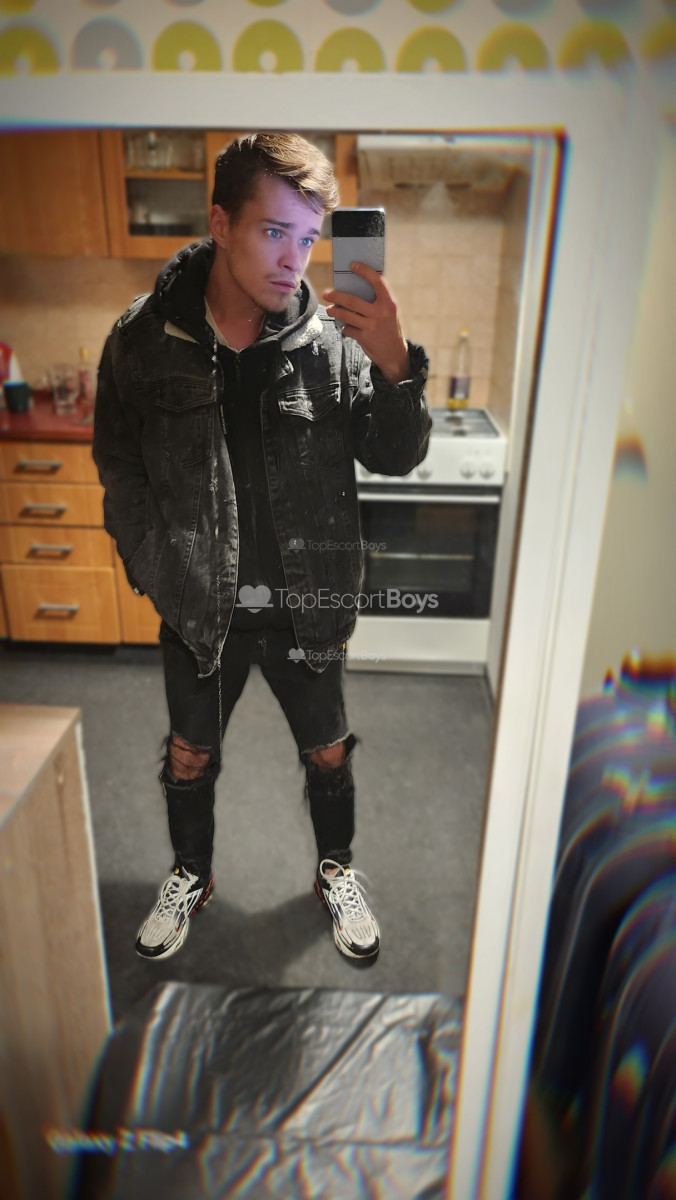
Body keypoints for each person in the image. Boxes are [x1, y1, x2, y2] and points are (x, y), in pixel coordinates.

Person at [93, 132, 431, 964]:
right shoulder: (142, 340)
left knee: (328, 752)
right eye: (274, 231)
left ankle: (335, 869)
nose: (294, 259)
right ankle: (190, 873)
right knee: (188, 753)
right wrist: (154, 564)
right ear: (220, 223)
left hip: (306, 606)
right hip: (198, 604)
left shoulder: (335, 342)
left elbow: (396, 454)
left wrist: (394, 363)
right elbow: (119, 462)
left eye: (308, 237)